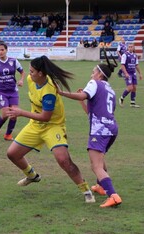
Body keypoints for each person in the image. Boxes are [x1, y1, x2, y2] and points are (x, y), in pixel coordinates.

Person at [5, 55, 95, 203]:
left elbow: (46, 117)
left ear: (41, 73)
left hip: (53, 126)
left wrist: (20, 112)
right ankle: (32, 176)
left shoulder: (49, 90)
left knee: (63, 160)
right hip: (35, 125)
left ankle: (85, 190)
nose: (29, 74)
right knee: (12, 154)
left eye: (32, 71)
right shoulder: (30, 80)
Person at [58, 50, 122, 208]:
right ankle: (100, 186)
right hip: (112, 128)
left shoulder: (95, 84)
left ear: (100, 74)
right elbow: (95, 112)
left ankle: (113, 195)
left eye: (93, 72)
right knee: (100, 159)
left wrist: (62, 93)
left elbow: (82, 96)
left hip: (99, 130)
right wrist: (82, 102)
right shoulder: (110, 90)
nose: (91, 75)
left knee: (96, 166)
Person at [0, 41, 25, 141]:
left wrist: (21, 80)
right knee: (5, 114)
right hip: (1, 92)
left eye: (2, 50)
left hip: (13, 91)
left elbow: (22, 72)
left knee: (14, 114)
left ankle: (8, 135)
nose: (0, 52)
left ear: (6, 50)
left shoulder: (14, 61)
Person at [118, 43, 143, 108]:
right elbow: (122, 65)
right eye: (129, 47)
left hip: (133, 73)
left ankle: (132, 103)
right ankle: (121, 98)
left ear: (134, 48)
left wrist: (140, 73)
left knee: (134, 87)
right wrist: (125, 73)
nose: (130, 48)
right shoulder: (125, 55)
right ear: (127, 48)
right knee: (130, 88)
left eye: (131, 47)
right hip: (128, 73)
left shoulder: (135, 55)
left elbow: (136, 65)